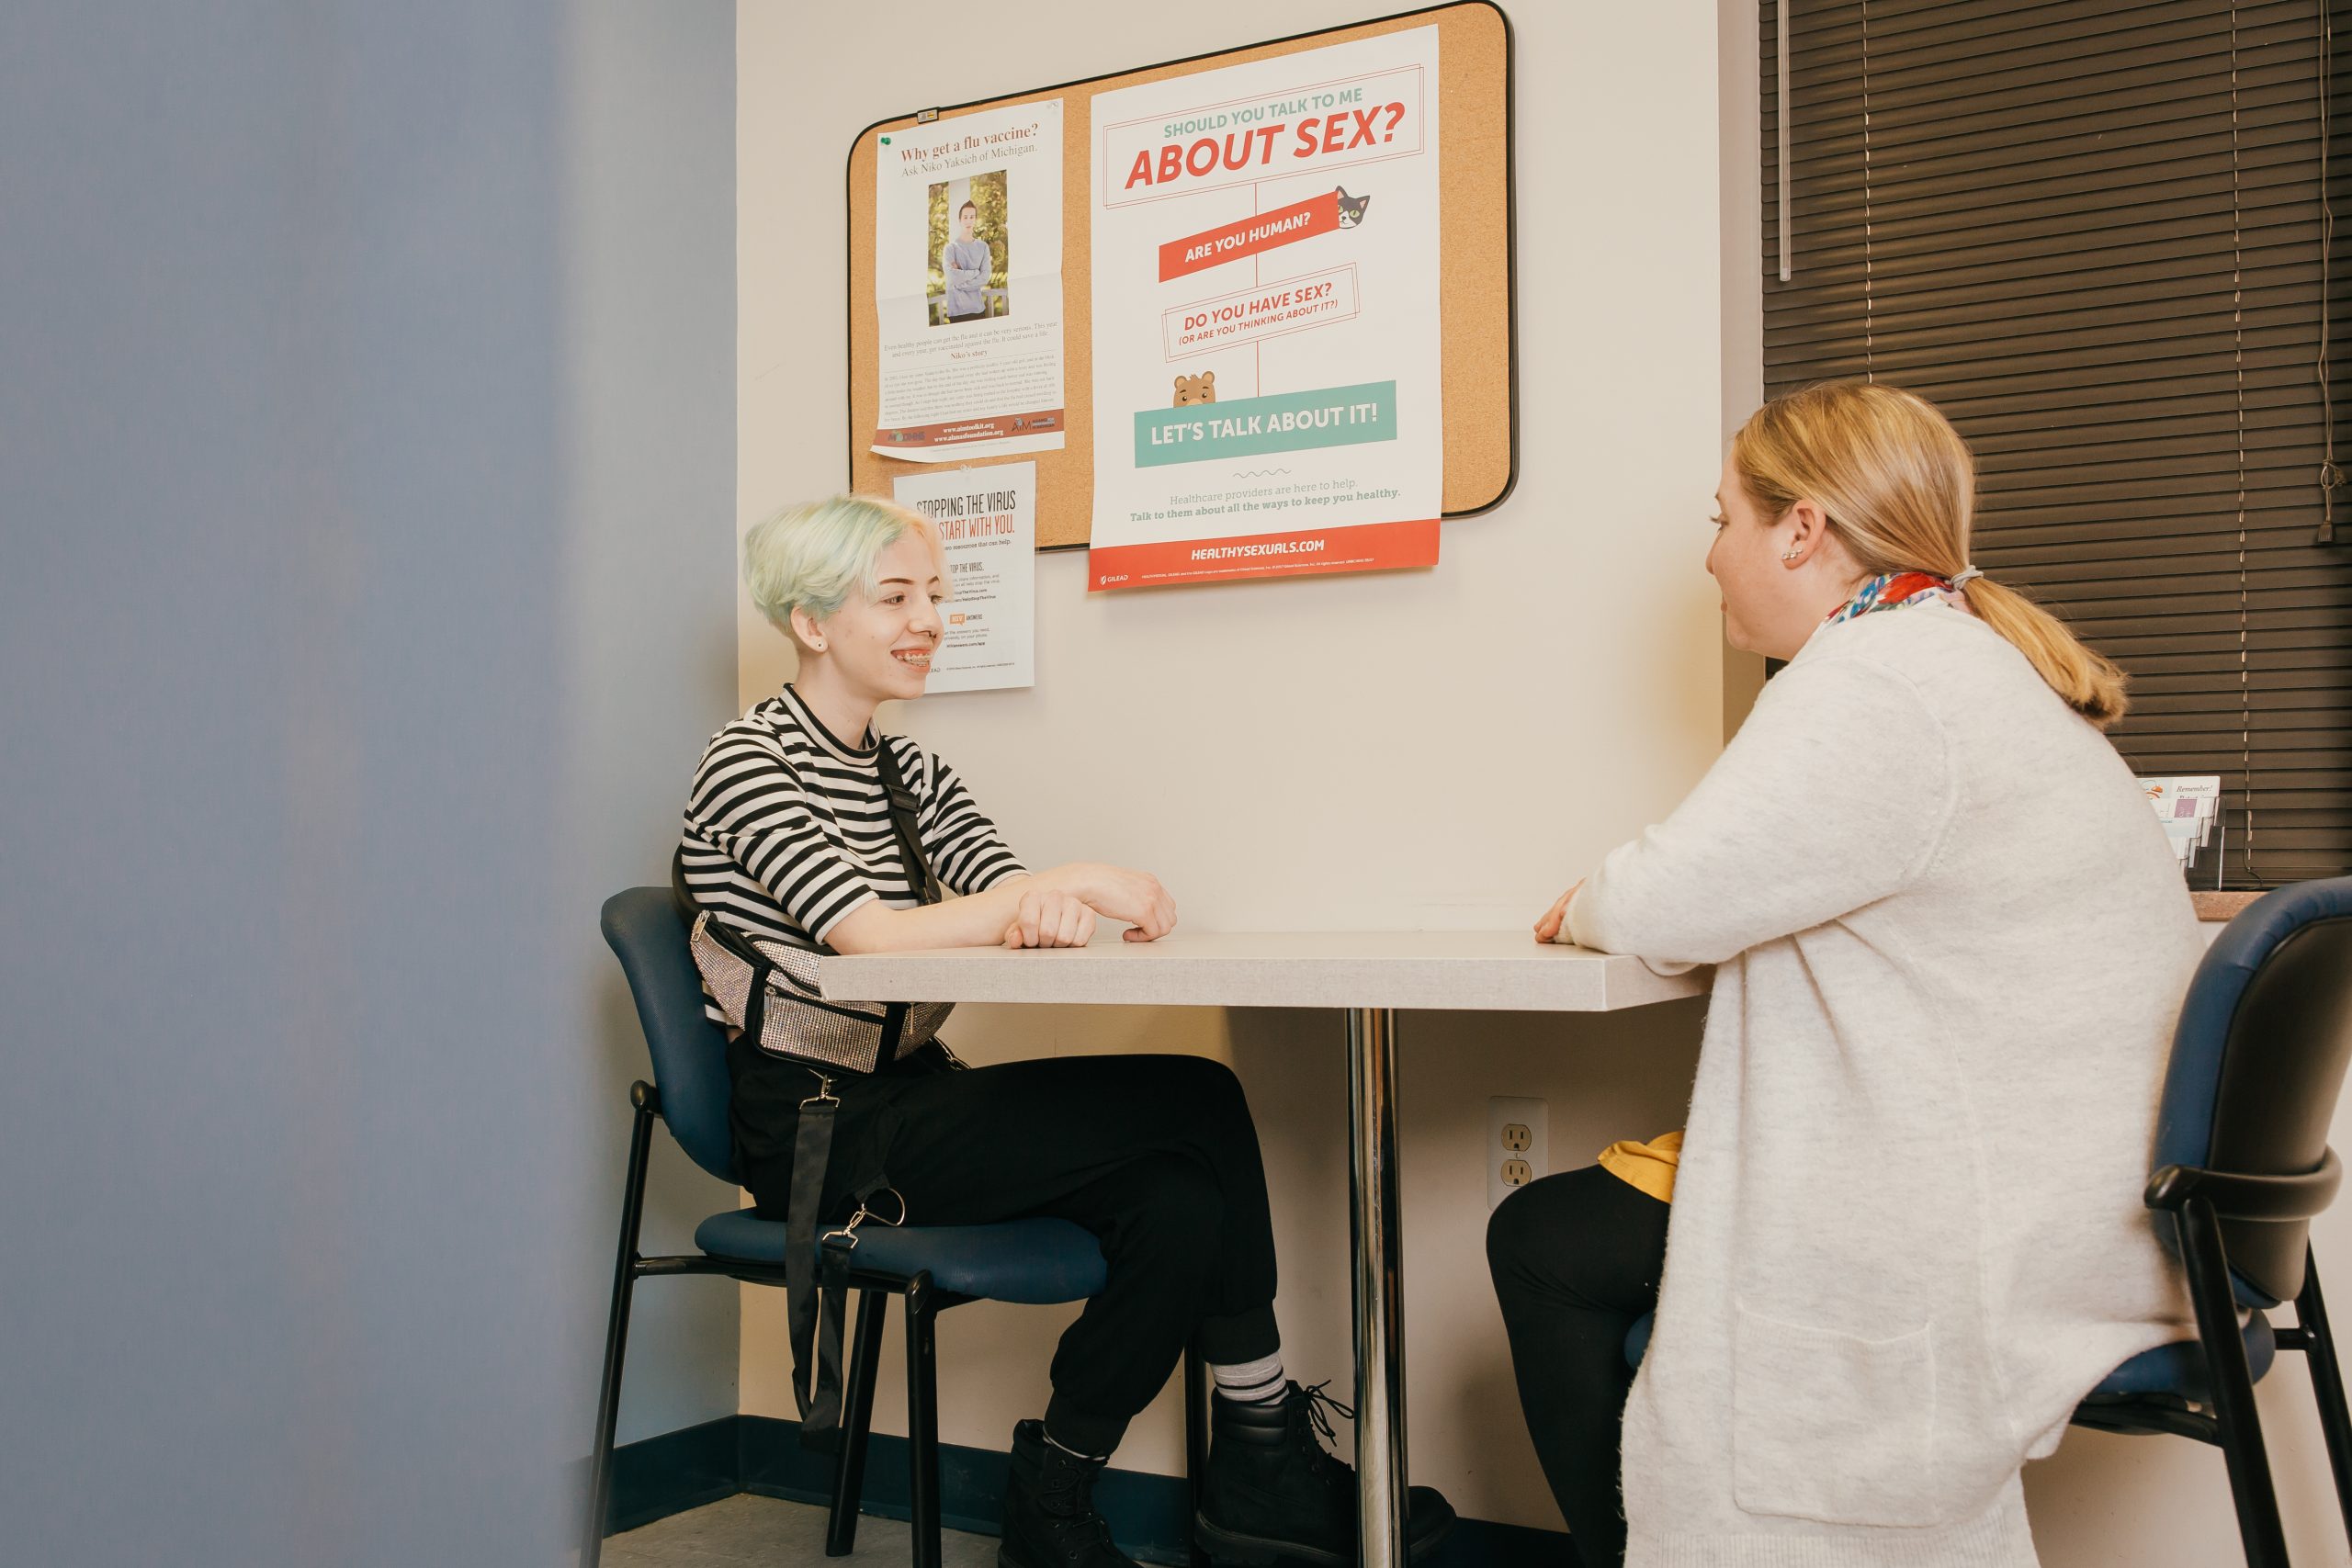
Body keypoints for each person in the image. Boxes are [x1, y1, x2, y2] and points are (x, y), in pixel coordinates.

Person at [1487, 382, 2201, 1567]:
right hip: (2105, 1196)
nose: (1712, 557)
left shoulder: (1873, 680)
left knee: (1544, 1243)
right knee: (1573, 1230)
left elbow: (1662, 898)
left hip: (2000, 1225)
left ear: (1801, 530)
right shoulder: (1969, 664)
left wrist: (1596, 898)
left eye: (1721, 521)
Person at [680, 495, 1453, 1568]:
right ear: (811, 623)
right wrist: (1058, 886)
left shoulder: (911, 774)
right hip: (819, 1133)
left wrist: (1042, 901)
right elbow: (866, 937)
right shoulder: (747, 764)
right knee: (1197, 1096)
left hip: (915, 1100)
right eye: (895, 597)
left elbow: (997, 887)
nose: (929, 620)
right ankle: (1261, 1451)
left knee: (1179, 1201)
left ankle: (1055, 1501)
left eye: (938, 596)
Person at [942, 198, 992, 322]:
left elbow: (985, 277)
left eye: (972, 217)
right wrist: (975, 272)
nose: (969, 220)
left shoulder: (983, 247)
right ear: (960, 220)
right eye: (965, 217)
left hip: (977, 309)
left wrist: (960, 283)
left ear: (975, 219)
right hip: (956, 312)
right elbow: (952, 277)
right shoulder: (950, 248)